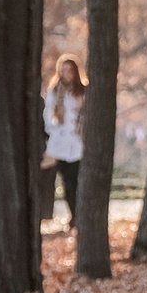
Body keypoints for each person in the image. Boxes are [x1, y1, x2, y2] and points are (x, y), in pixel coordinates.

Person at [42, 54, 85, 225]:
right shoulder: (54, 92)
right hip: (60, 143)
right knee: (67, 181)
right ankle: (73, 214)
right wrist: (54, 130)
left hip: (78, 142)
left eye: (70, 70)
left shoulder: (82, 92)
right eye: (64, 70)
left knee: (77, 179)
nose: (67, 73)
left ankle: (79, 215)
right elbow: (48, 116)